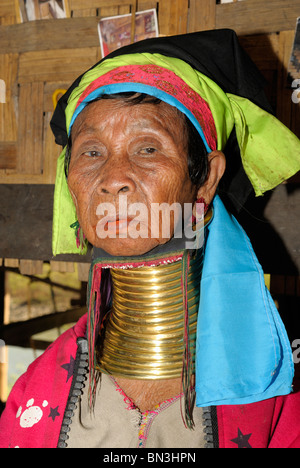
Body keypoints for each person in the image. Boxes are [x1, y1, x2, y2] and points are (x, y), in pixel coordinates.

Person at [1, 29, 300, 448]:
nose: (113, 179)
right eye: (91, 152)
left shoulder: (277, 386)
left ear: (207, 178)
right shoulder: (36, 390)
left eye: (147, 149)